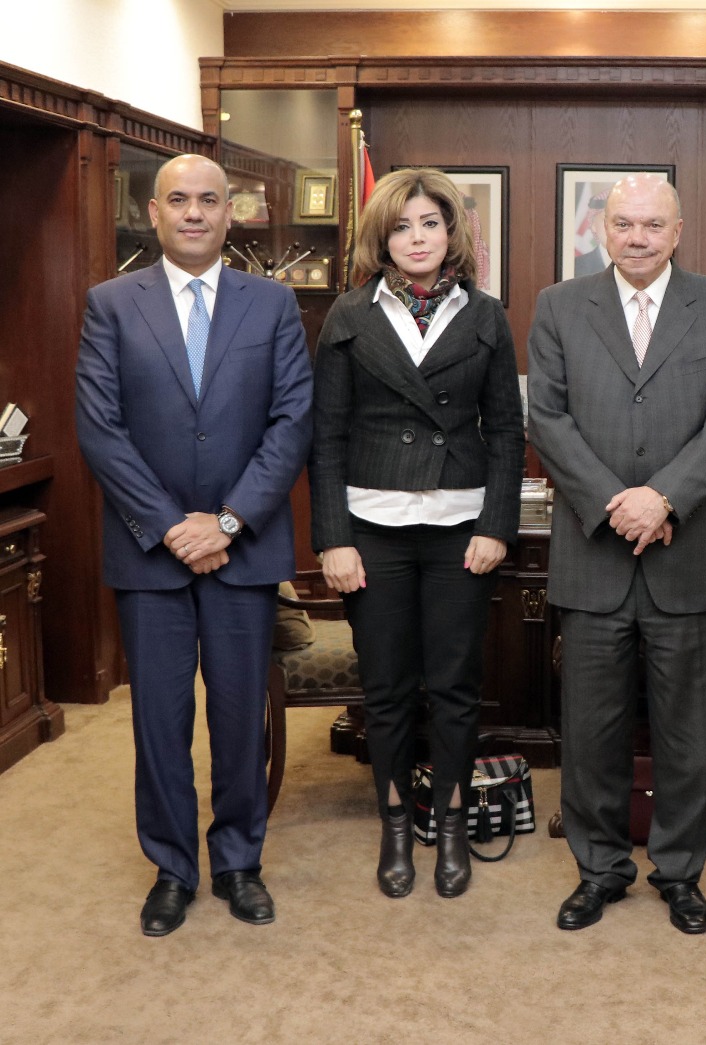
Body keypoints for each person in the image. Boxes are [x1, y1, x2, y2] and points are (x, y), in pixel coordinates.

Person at [75, 154, 313, 936]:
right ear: (154, 213)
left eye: (209, 200)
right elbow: (100, 429)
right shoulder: (111, 304)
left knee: (241, 717)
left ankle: (239, 862)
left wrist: (230, 520)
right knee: (160, 721)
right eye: (178, 199)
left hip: (245, 550)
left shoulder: (272, 303)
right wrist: (174, 525)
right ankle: (172, 867)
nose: (194, 212)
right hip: (150, 554)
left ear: (229, 213)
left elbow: (292, 421)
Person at [527, 173, 706, 935]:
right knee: (590, 731)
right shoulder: (560, 305)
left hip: (684, 550)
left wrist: (664, 498)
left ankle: (680, 871)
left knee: (687, 729)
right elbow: (547, 418)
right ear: (604, 229)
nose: (637, 237)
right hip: (592, 552)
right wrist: (614, 502)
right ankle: (599, 869)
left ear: (677, 231)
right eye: (623, 223)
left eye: (653, 224)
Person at [309, 167, 523, 901]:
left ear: (451, 231)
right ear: (383, 237)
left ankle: (453, 823)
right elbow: (326, 436)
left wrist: (497, 526)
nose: (417, 238)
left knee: (457, 688)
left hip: (462, 527)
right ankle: (396, 824)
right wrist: (332, 538)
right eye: (402, 226)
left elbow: (507, 432)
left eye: (430, 223)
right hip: (373, 528)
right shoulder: (349, 314)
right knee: (388, 690)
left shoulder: (485, 314)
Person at [573, 190, 610, 277]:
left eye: (620, 222)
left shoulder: (639, 265)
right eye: (605, 220)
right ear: (593, 225)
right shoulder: (576, 267)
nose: (611, 228)